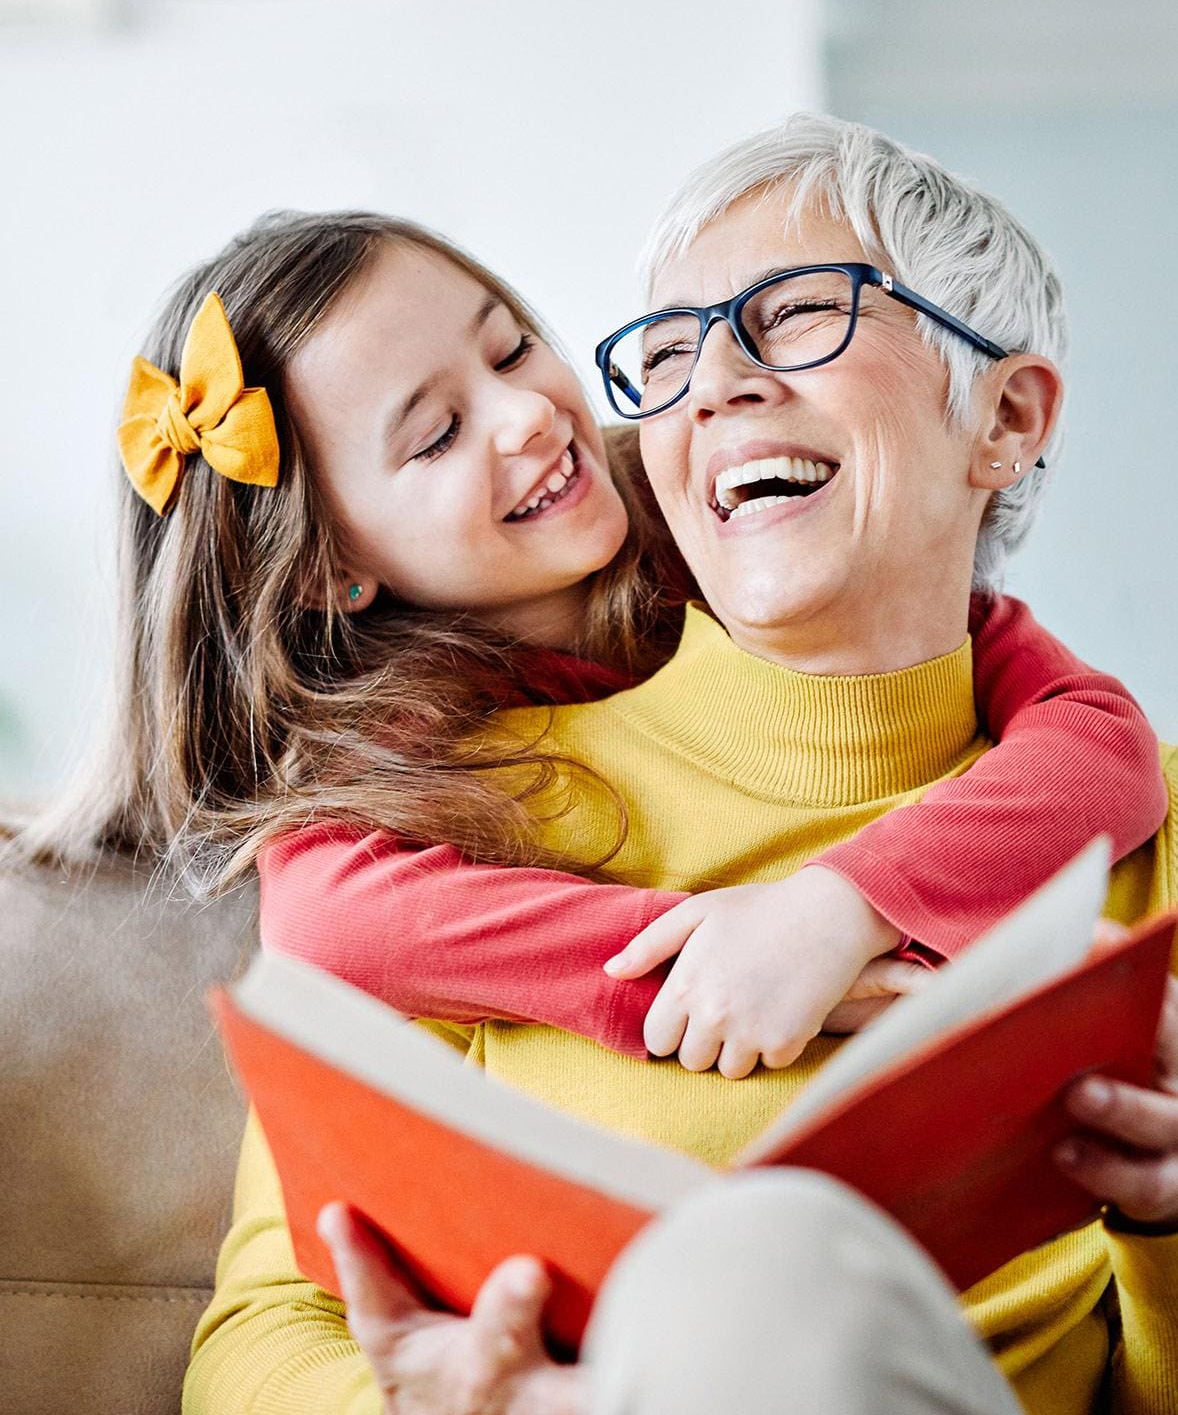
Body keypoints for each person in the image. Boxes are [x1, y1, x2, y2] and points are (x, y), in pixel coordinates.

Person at [179, 117, 1177, 1414]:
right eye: (668, 353)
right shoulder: (442, 826)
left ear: (1004, 416)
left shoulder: (1122, 803)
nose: (714, 384)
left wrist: (1159, 1234)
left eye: (797, 316)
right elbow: (258, 1347)